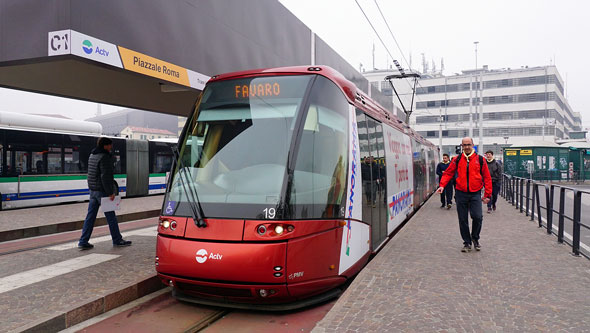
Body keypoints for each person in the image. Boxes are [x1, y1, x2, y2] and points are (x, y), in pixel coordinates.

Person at [437, 137, 492, 252]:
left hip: (475, 193)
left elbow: (487, 177)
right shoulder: (456, 160)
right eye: (464, 145)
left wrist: (487, 194)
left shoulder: (480, 160)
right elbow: (448, 173)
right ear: (461, 146)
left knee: (477, 217)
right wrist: (442, 185)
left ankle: (475, 238)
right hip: (461, 193)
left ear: (473, 145)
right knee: (462, 219)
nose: (466, 147)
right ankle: (467, 242)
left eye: (468, 144)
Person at [78, 137, 132, 250]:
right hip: (102, 191)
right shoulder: (104, 157)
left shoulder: (92, 155)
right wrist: (110, 192)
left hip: (93, 190)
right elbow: (105, 176)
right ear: (105, 146)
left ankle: (83, 240)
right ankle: (117, 239)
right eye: (110, 145)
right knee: (111, 217)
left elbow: (91, 174)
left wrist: (91, 188)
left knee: (90, 217)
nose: (111, 147)